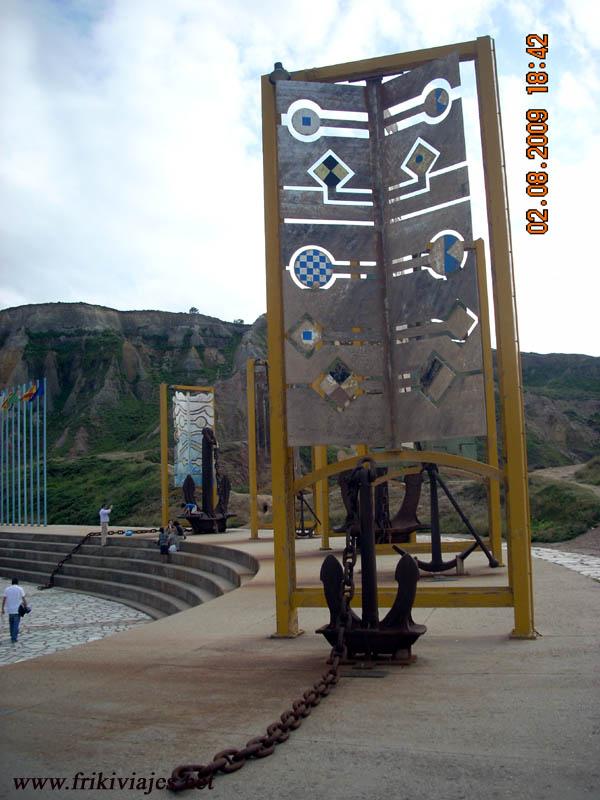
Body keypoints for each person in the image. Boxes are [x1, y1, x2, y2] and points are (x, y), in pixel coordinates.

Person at [2, 578, 27, 644]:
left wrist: (2, 608)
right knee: (16, 625)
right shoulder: (20, 589)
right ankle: (14, 638)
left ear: (12, 582)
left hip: (10, 610)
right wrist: (26, 606)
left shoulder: (7, 589)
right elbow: (23, 599)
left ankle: (12, 636)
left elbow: (4, 599)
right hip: (17, 610)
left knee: (11, 624)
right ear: (17, 582)